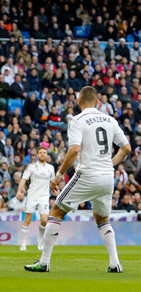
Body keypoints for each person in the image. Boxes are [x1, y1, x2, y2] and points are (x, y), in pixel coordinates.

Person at [25, 86, 131, 273]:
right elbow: (126, 148)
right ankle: (115, 264)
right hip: (107, 177)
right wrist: (109, 164)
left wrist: (58, 176)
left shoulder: (77, 120)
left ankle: (44, 262)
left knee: (56, 211)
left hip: (88, 175)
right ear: (97, 101)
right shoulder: (110, 119)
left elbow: (74, 150)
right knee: (102, 218)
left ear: (79, 101)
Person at [16, 146, 55, 251]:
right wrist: (19, 191)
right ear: (37, 155)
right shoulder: (31, 167)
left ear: (47, 155)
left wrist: (56, 191)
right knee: (28, 219)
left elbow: (53, 183)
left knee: (44, 220)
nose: (42, 154)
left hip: (44, 197)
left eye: (44, 152)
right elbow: (23, 179)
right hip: (32, 196)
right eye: (40, 152)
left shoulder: (51, 168)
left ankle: (40, 239)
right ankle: (23, 243)